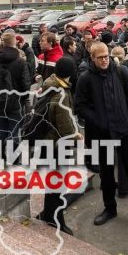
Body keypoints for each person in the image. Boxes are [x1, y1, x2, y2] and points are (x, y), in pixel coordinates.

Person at [74, 41, 128, 225]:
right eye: (100, 57)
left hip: (126, 132)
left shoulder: (122, 72)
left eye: (106, 56)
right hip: (101, 135)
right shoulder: (86, 78)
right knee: (106, 174)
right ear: (92, 58)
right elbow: (79, 106)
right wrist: (98, 120)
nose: (104, 60)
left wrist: (127, 117)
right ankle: (110, 208)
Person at [36, 56, 82, 235]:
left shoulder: (50, 83)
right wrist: (77, 136)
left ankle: (48, 214)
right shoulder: (61, 93)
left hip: (47, 142)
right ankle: (56, 221)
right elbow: (66, 129)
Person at [0, 32, 32, 149]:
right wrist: (21, 99)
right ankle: (12, 158)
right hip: (15, 102)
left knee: (0, 129)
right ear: (15, 43)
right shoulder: (21, 62)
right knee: (14, 131)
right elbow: (26, 85)